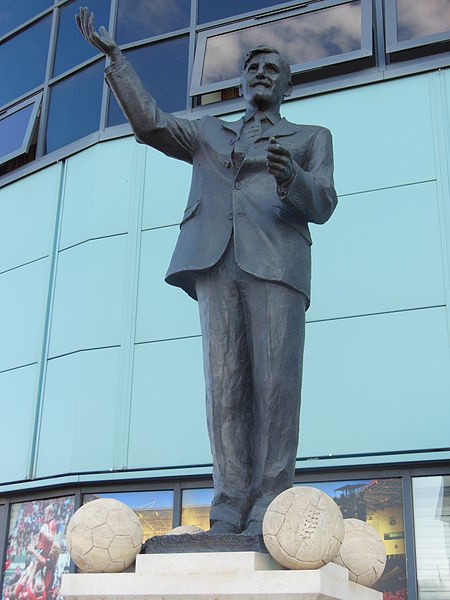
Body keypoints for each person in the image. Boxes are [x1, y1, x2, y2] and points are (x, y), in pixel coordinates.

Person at [76, 7, 338, 537]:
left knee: (276, 386)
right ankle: (228, 502)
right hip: (215, 261)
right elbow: (150, 124)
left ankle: (271, 499)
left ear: (287, 83)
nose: (260, 73)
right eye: (252, 68)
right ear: (241, 82)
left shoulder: (311, 136)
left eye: (271, 68)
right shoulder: (207, 134)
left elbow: (325, 201)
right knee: (225, 386)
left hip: (276, 263)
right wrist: (118, 62)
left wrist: (295, 182)